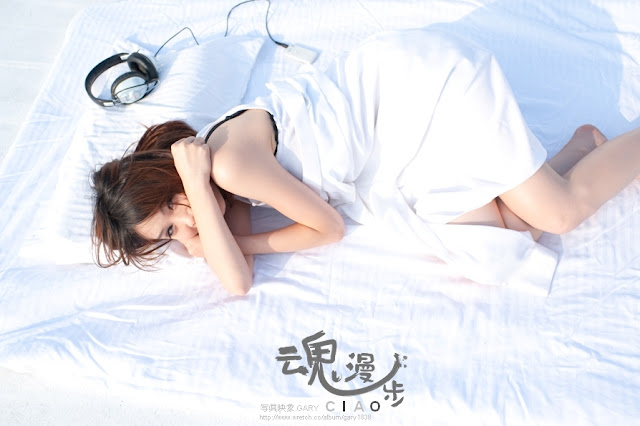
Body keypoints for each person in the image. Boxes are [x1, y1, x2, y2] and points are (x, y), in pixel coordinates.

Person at [91, 29, 640, 296]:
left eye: (172, 205)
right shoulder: (219, 192)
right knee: (503, 234)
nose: (188, 223)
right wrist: (215, 231)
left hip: (415, 92)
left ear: (172, 173)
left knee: (558, 215)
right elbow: (238, 284)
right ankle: (580, 148)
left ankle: (587, 163)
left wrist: (226, 236)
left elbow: (327, 229)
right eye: (170, 232)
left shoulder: (227, 166)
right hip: (391, 146)